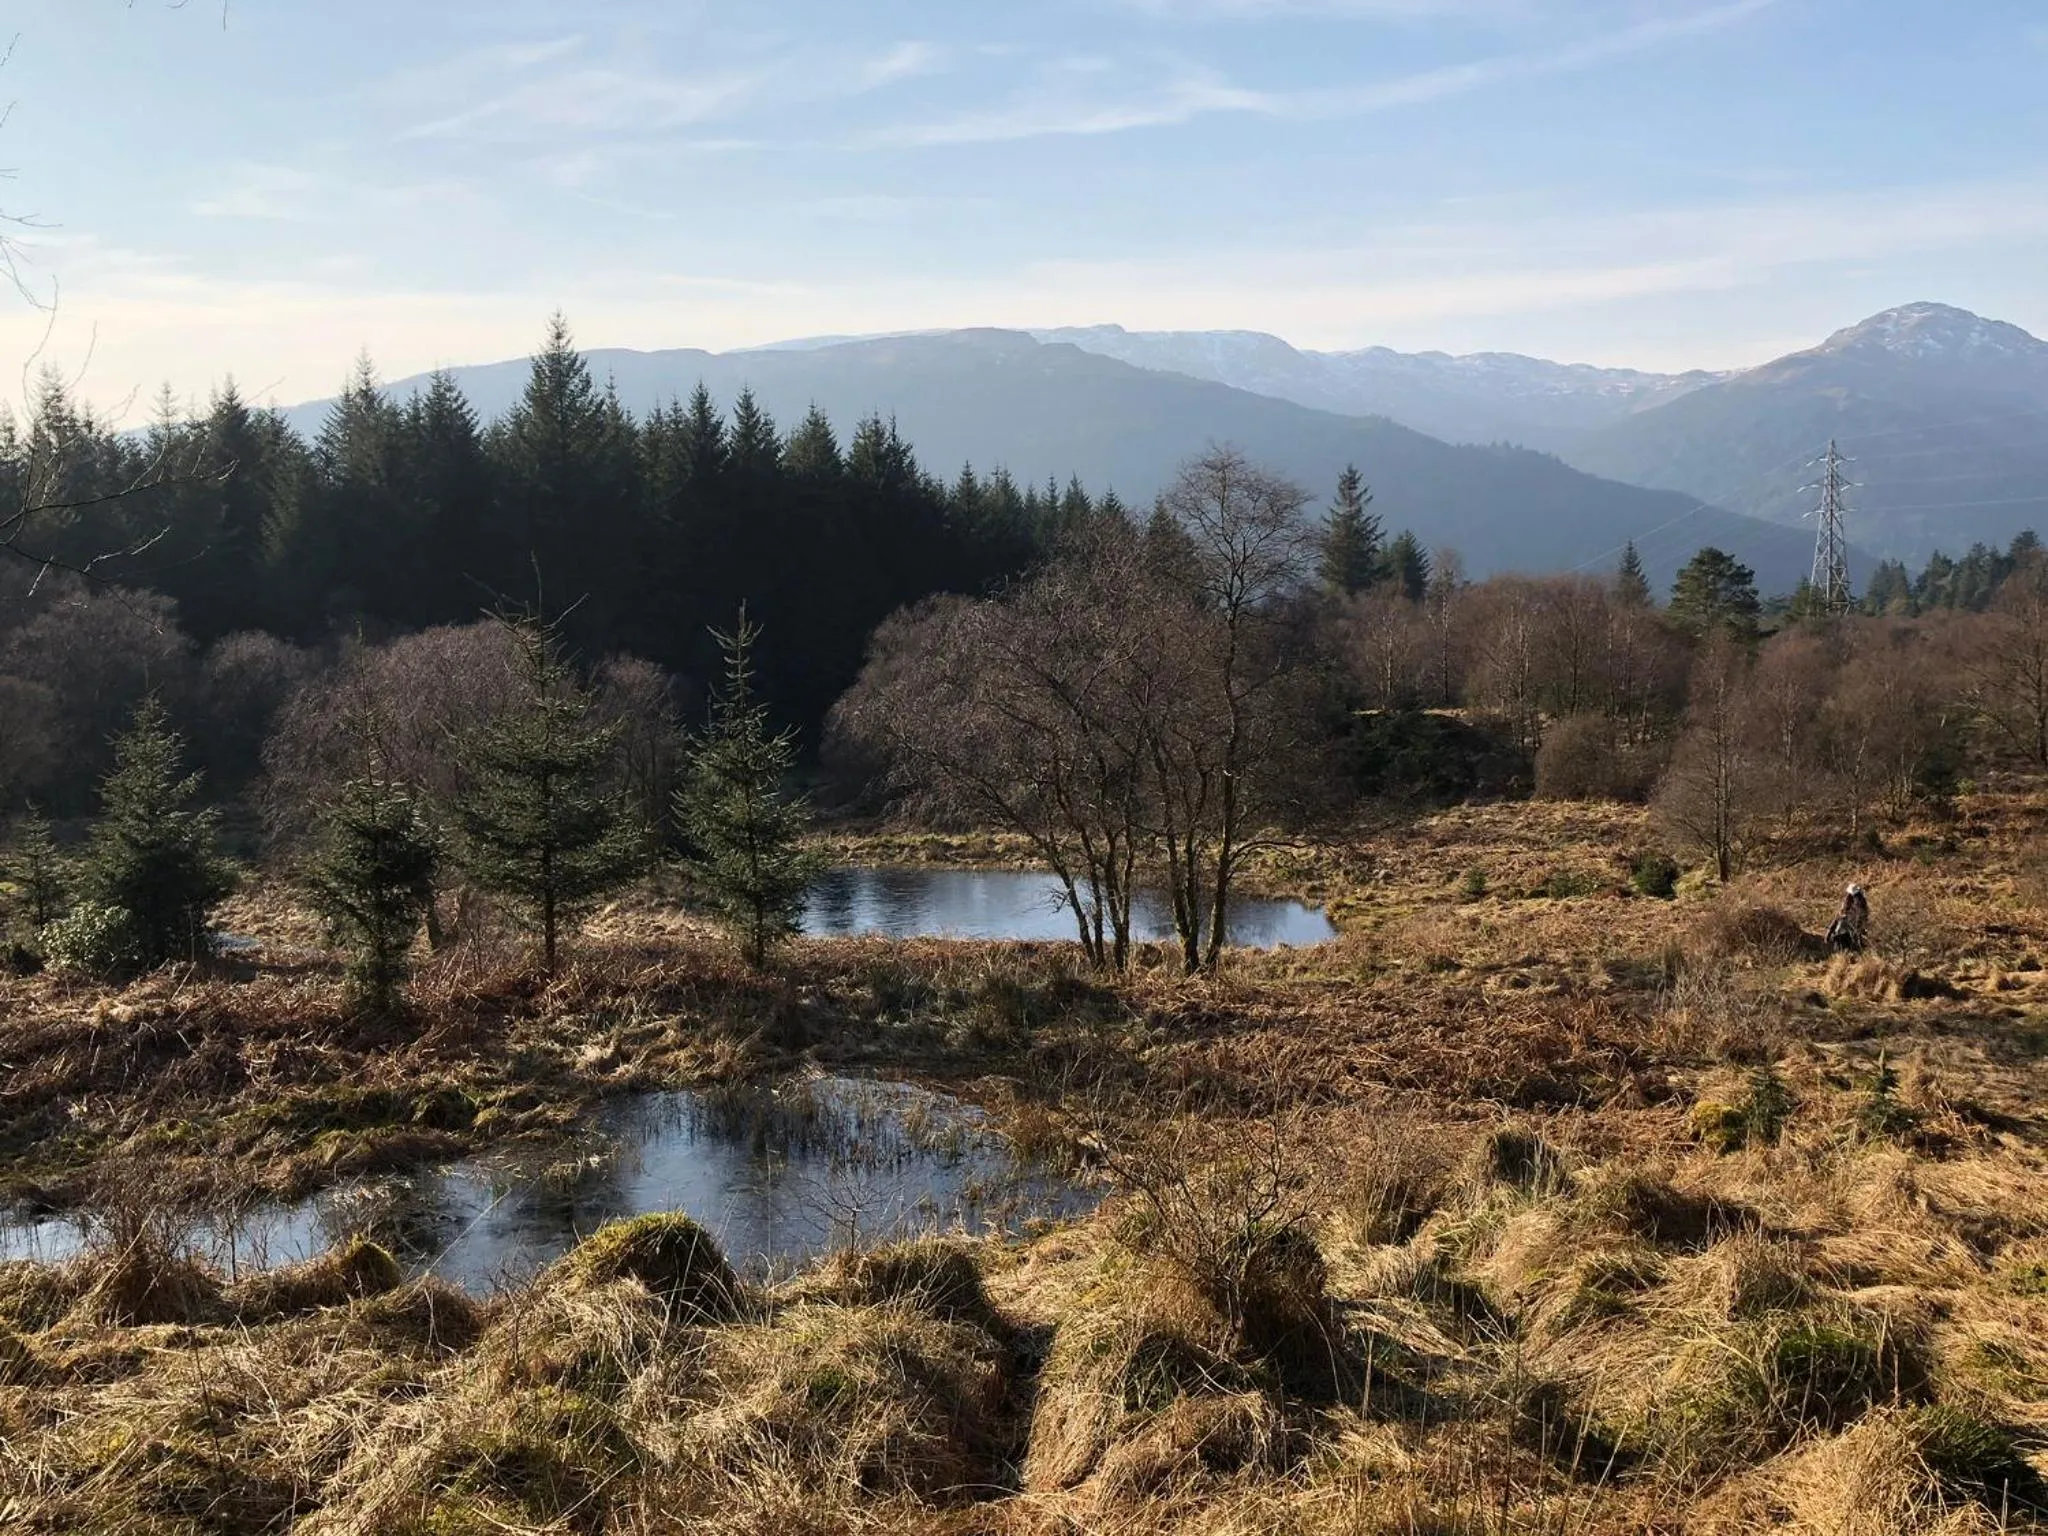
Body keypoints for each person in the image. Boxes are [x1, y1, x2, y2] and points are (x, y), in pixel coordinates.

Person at [1827, 883, 1870, 953]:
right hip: (1848, 934)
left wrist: (1829, 932)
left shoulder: (1850, 904)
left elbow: (1838, 918)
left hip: (1846, 933)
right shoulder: (1860, 904)